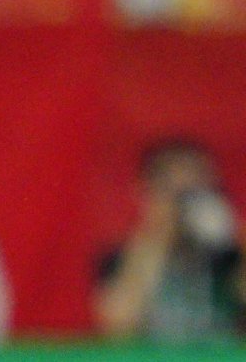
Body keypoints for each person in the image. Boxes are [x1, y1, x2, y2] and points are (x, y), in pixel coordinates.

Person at [95, 138, 245, 342]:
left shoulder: (226, 254)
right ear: (147, 191)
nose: (186, 206)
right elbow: (119, 325)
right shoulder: (122, 256)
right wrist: (160, 236)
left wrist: (234, 239)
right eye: (176, 192)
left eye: (198, 191)